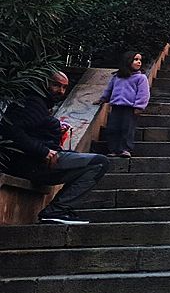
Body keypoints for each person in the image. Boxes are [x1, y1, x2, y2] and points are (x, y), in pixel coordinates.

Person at [0, 71, 109, 224]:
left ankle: (58, 210)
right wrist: (43, 151)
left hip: (37, 162)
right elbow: (10, 130)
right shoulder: (32, 102)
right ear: (44, 83)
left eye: (65, 88)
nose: (61, 91)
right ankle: (57, 210)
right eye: (56, 85)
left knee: (88, 163)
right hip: (33, 163)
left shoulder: (40, 104)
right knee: (99, 162)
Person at [94, 51, 150, 158]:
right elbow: (109, 89)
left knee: (127, 129)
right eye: (136, 59)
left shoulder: (141, 78)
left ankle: (125, 149)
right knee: (113, 128)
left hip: (130, 108)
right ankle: (113, 149)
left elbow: (143, 93)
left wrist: (139, 106)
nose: (139, 62)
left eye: (140, 60)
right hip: (116, 107)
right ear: (128, 61)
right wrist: (103, 99)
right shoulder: (117, 77)